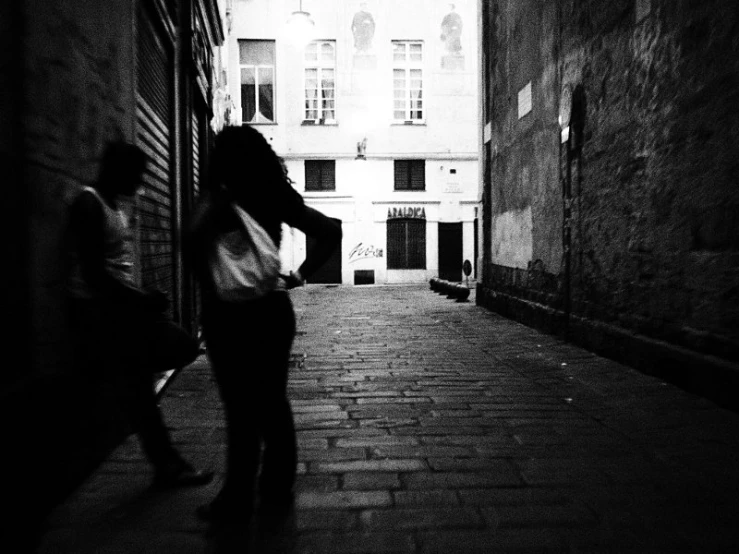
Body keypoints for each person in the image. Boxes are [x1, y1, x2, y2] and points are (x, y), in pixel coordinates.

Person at [188, 125, 342, 531]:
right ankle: (276, 487)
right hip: (272, 311)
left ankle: (236, 500)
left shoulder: (217, 199)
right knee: (272, 402)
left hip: (226, 317)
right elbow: (330, 231)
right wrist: (299, 275)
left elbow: (190, 250)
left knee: (240, 411)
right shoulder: (274, 195)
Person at [66, 141, 214, 490]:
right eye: (136, 175)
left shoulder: (116, 205)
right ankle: (166, 464)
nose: (140, 182)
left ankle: (163, 460)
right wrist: (140, 299)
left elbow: (116, 265)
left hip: (121, 310)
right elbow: (93, 274)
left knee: (176, 352)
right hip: (101, 311)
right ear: (117, 171)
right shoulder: (89, 204)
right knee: (139, 389)